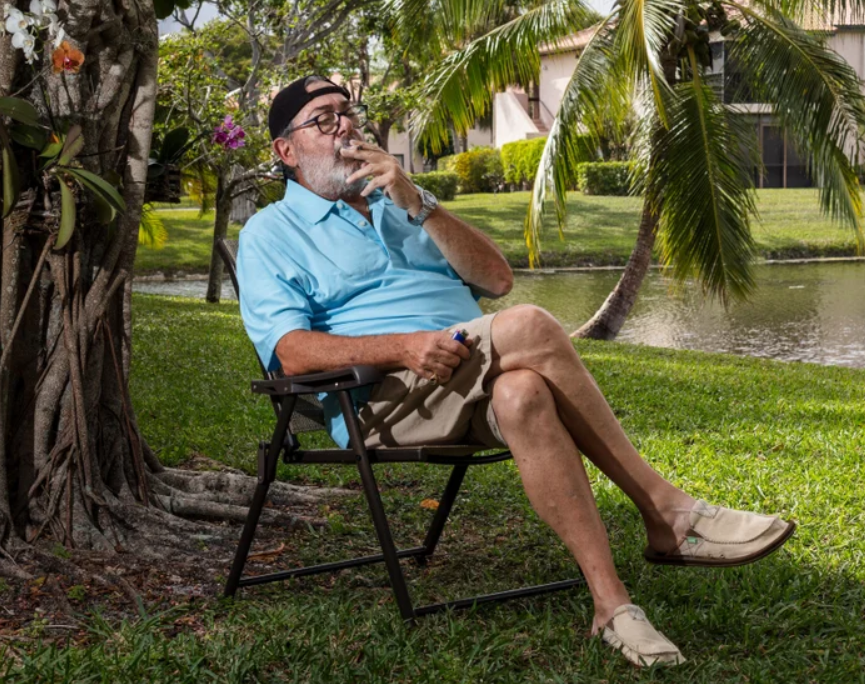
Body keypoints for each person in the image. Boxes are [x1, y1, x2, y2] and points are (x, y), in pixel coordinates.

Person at [236, 75, 796, 668]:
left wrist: (418, 201)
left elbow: (497, 280)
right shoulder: (270, 233)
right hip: (382, 399)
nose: (345, 126)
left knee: (523, 392)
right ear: (286, 150)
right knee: (528, 323)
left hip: (466, 374)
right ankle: (668, 512)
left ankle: (612, 606)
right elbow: (290, 352)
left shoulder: (399, 203)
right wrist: (404, 347)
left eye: (348, 112)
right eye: (323, 119)